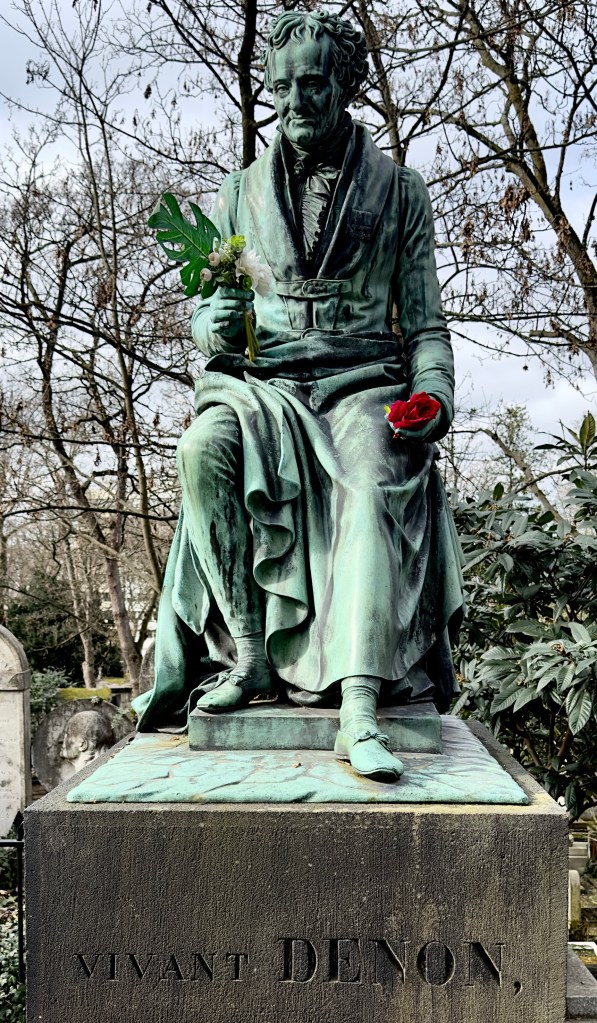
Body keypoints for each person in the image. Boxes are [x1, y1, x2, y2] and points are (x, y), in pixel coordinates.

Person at [133, 10, 464, 783]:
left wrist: (433, 394)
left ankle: (358, 706)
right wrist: (212, 324)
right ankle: (249, 654)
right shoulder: (237, 192)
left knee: (371, 481)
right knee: (201, 449)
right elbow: (210, 318)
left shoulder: (400, 191)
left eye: (312, 83)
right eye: (280, 87)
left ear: (345, 84)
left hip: (360, 384)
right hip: (266, 388)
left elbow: (424, 324)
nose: (294, 101)